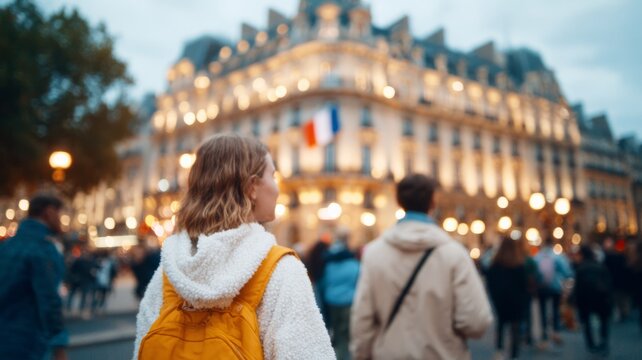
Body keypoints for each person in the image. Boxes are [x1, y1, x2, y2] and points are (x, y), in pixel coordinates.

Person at [134, 134, 333, 359]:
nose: (277, 188)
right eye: (273, 176)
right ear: (252, 187)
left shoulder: (169, 275)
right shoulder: (280, 270)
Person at [350, 174, 493, 359]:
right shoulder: (454, 254)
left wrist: (361, 355)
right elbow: (477, 321)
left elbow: (362, 319)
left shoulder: (374, 254)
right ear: (433, 202)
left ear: (398, 201)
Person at [0, 194, 67, 360]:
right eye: (60, 214)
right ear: (49, 212)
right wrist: (59, 344)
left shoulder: (7, 245)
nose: (61, 220)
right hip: (28, 339)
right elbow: (50, 299)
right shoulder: (44, 249)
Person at [320, 227, 360, 360]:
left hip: (332, 300)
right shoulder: (354, 265)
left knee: (336, 332)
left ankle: (338, 355)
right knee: (347, 334)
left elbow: (325, 282)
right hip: (348, 301)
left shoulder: (329, 264)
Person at [487, 235, 530, 360]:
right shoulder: (519, 265)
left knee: (500, 325)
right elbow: (524, 285)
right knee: (515, 328)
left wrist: (495, 297)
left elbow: (490, 282)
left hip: (500, 300)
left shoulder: (495, 264)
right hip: (516, 301)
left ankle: (499, 351)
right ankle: (514, 354)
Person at [533, 237, 573, 346]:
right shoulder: (558, 257)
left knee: (542, 310)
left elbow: (534, 272)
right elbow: (567, 271)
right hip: (555, 286)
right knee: (555, 309)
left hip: (542, 287)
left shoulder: (537, 257)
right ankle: (556, 331)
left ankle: (544, 333)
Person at [573, 245, 612, 356]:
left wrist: (575, 300)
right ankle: (603, 341)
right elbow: (608, 284)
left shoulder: (581, 268)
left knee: (587, 322)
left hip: (586, 299)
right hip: (601, 298)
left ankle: (591, 344)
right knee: (603, 321)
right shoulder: (600, 266)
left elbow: (578, 287)